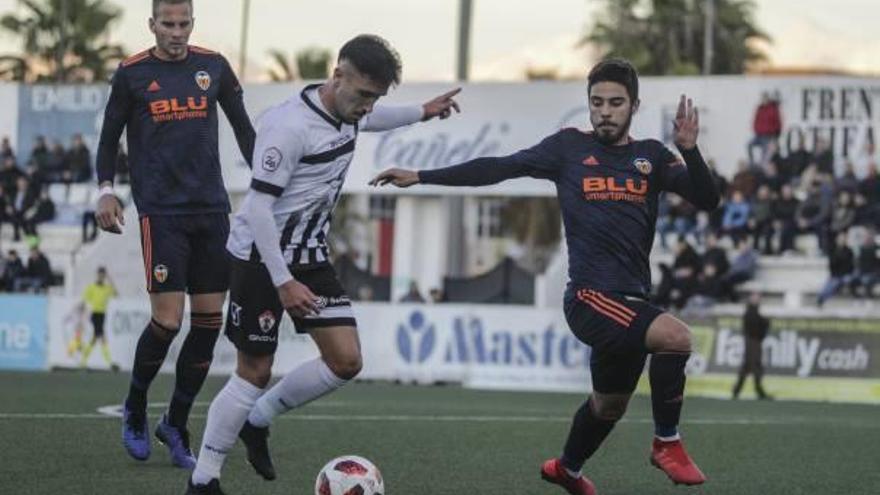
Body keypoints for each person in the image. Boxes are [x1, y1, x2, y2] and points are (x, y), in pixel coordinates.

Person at [372, 58, 719, 494]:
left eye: (616, 102)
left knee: (608, 406)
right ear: (588, 105)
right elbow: (499, 167)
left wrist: (689, 149)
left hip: (630, 302)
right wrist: (421, 175)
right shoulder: (569, 149)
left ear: (634, 105)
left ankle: (566, 469)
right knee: (677, 337)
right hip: (590, 298)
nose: (605, 111)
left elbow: (707, 200)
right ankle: (666, 443)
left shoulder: (651, 156)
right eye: (597, 102)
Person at [186, 34, 461, 494]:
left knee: (346, 360)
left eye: (376, 97)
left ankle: (259, 419)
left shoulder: (352, 110)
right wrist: (283, 281)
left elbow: (375, 119)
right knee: (254, 370)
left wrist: (422, 111)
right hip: (261, 256)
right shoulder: (289, 129)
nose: (369, 107)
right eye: (364, 96)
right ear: (338, 76)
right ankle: (203, 480)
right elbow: (256, 210)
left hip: (310, 254)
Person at [94, 0, 256, 469]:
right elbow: (108, 141)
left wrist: (270, 184)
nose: (177, 32)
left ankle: (176, 424)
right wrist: (105, 192)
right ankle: (136, 407)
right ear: (152, 25)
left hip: (212, 210)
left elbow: (246, 133)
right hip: (161, 212)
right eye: (168, 24)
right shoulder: (131, 75)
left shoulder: (215, 67)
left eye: (184, 23)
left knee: (209, 322)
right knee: (167, 321)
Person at [732, 292, 771, 399]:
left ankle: (737, 391)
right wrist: (765, 323)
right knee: (756, 366)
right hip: (753, 342)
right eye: (755, 298)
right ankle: (759, 392)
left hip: (752, 342)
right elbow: (756, 329)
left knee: (746, 367)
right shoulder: (751, 313)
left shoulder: (752, 312)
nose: (757, 300)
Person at [80, 266, 119, 370]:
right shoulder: (92, 286)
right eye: (100, 274)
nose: (101, 277)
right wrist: (83, 312)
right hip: (95, 314)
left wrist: (110, 279)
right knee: (101, 337)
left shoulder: (106, 288)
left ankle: (83, 361)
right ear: (97, 275)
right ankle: (110, 362)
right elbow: (85, 300)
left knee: (95, 338)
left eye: (103, 275)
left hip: (102, 315)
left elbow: (116, 293)